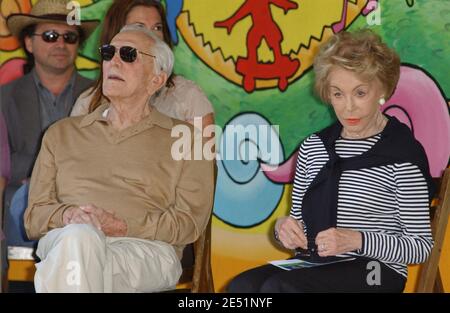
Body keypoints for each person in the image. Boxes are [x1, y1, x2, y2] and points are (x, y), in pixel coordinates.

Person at [228, 29, 435, 293]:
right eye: (338, 94)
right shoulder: (313, 148)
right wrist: (284, 230)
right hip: (316, 262)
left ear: (383, 88)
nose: (348, 107)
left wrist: (357, 240)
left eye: (360, 93)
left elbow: (419, 246)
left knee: (279, 288)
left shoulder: (402, 156)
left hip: (377, 270)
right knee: (242, 287)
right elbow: (299, 223)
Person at [24, 24, 215, 293]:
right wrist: (69, 215)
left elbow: (190, 223)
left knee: (75, 261)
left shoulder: (189, 139)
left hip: (146, 249)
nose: (113, 60)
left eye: (128, 54)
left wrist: (122, 226)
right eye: (108, 52)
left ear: (156, 79)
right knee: (80, 242)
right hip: (67, 238)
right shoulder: (60, 133)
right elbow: (34, 218)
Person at [1, 0, 98, 210]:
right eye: (50, 36)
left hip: (87, 211)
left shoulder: (100, 96)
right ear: (29, 43)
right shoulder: (4, 98)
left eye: (70, 37)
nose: (60, 45)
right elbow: (5, 165)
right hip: (20, 211)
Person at [70, 0, 215, 133]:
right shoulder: (88, 102)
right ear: (115, 36)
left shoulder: (189, 97)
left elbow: (201, 159)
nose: (150, 35)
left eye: (157, 27)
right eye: (138, 27)